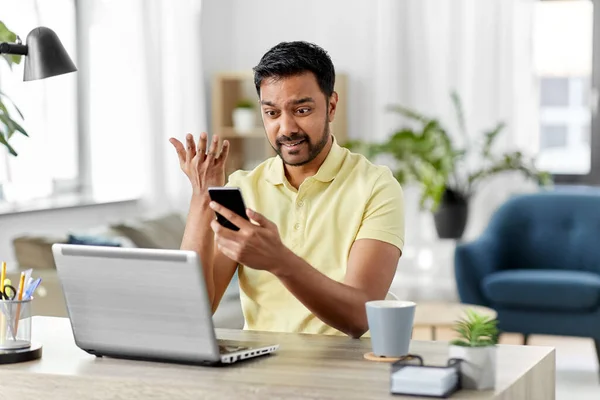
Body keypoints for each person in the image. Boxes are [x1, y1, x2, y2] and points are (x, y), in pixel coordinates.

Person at [169, 41, 404, 338]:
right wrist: (202, 197)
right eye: (272, 113)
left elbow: (360, 316)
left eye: (302, 110)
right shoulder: (243, 188)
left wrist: (278, 260)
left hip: (348, 367)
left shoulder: (376, 186)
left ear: (331, 106)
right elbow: (192, 310)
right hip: (262, 367)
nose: (286, 128)